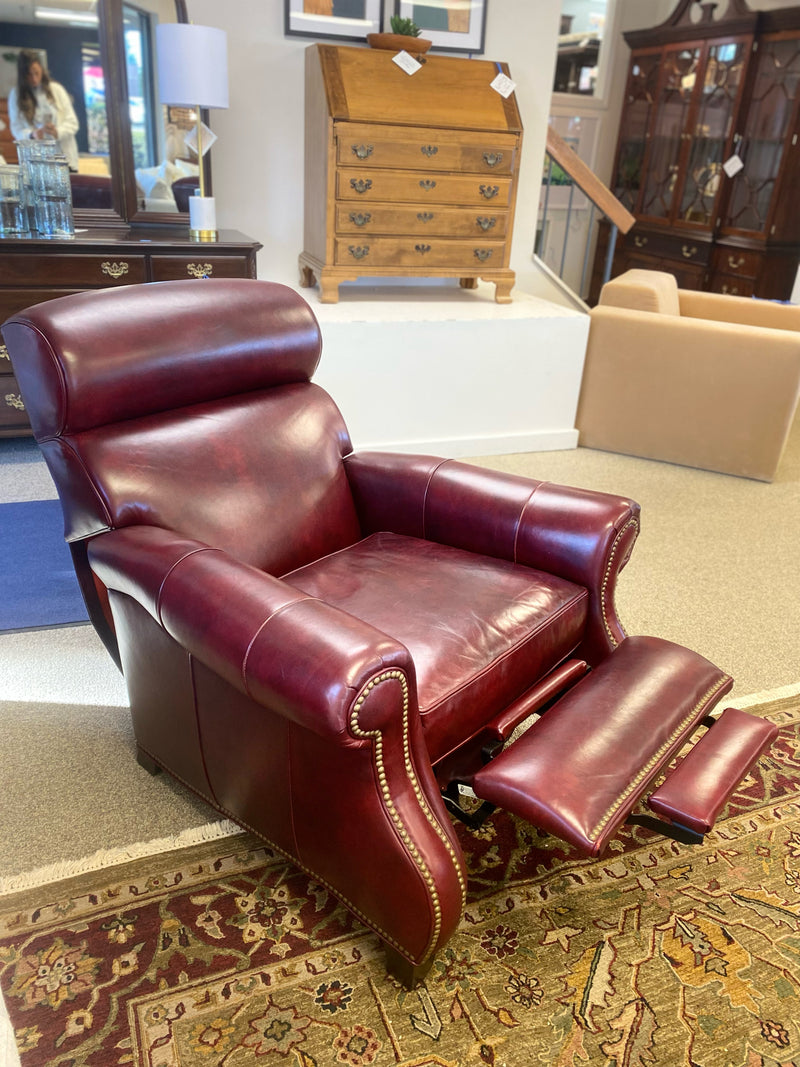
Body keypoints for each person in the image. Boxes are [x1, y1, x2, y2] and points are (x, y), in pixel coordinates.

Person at [8, 49, 80, 171]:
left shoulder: (57, 90)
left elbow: (73, 123)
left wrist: (57, 132)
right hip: (36, 164)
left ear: (42, 69)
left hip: (64, 160)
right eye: (29, 75)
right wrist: (32, 134)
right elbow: (16, 129)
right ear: (23, 75)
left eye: (36, 73)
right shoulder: (16, 95)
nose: (34, 79)